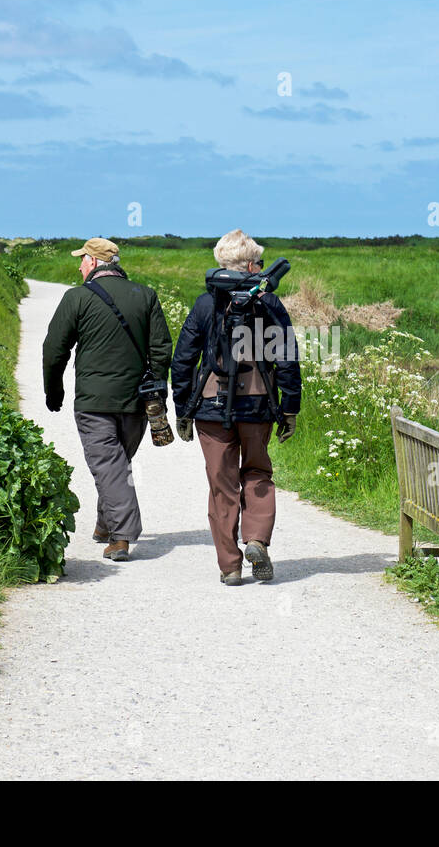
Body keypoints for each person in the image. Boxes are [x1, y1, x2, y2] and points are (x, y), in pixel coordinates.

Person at [170, 229, 301, 586]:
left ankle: (230, 566)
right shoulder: (269, 303)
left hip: (210, 409)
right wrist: (289, 409)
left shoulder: (204, 303)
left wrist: (183, 407)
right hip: (258, 406)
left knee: (221, 484)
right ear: (249, 264)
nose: (261, 266)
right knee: (257, 472)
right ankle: (256, 538)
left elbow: (183, 360)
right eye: (259, 261)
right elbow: (287, 358)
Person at [43, 237, 172, 563]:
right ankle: (105, 523)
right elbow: (161, 348)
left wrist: (53, 389)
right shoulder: (146, 296)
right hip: (136, 405)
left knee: (109, 467)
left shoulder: (77, 298)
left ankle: (122, 536)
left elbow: (54, 350)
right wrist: (155, 389)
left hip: (93, 403)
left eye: (83, 260)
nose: (79, 266)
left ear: (96, 262)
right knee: (114, 465)